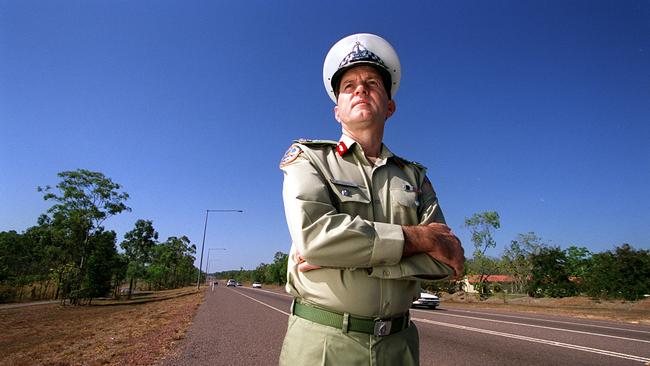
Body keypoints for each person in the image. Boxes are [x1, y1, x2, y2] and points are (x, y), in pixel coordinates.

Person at [278, 33, 465, 365]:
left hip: (398, 346)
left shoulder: (414, 177)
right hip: (323, 344)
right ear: (337, 111)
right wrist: (418, 238)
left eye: (372, 83)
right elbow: (316, 240)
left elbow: (444, 259)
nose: (360, 89)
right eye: (348, 86)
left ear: (390, 106)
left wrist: (346, 256)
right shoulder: (309, 160)